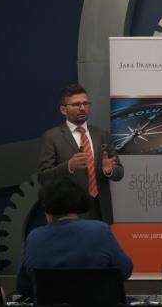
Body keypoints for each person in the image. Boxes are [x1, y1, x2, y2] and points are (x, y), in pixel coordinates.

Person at [16, 177, 133, 299]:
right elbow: (125, 270)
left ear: (46, 209)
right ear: (78, 202)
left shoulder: (34, 237)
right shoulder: (100, 231)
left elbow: (23, 286)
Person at [37, 83, 123, 223]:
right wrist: (69, 166)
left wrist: (109, 171)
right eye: (76, 104)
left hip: (101, 210)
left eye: (85, 103)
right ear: (63, 110)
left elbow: (119, 172)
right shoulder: (52, 137)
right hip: (70, 212)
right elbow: (43, 177)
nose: (82, 108)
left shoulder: (101, 135)